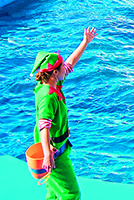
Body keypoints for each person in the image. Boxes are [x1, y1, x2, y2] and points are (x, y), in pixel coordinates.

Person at [32, 27, 97, 200]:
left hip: (58, 147)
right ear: (54, 72)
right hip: (53, 152)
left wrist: (85, 42)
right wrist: (47, 155)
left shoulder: (53, 84)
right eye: (61, 67)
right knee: (71, 194)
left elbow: (70, 63)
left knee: (53, 194)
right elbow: (43, 126)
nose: (65, 68)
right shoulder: (48, 96)